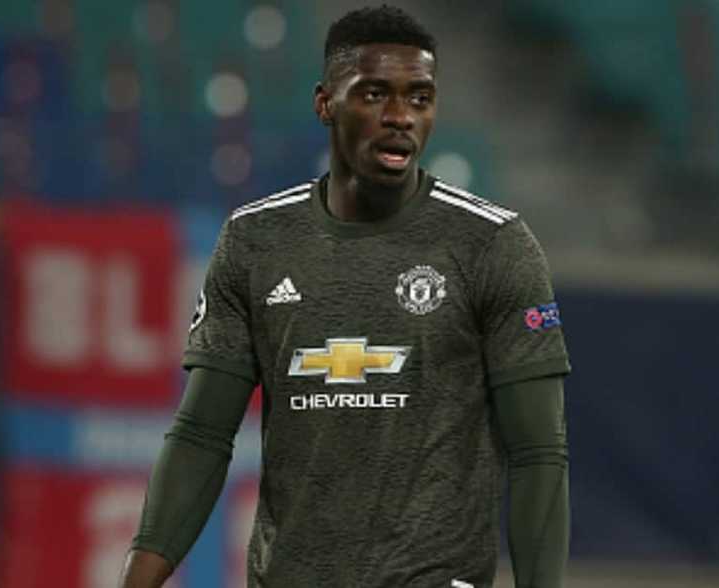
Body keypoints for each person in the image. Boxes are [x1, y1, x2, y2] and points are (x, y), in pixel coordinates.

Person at [119, 5, 571, 587]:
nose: (400, 117)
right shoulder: (256, 241)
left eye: (420, 98)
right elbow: (203, 434)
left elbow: (538, 453)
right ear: (326, 102)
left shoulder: (493, 245)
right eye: (375, 94)